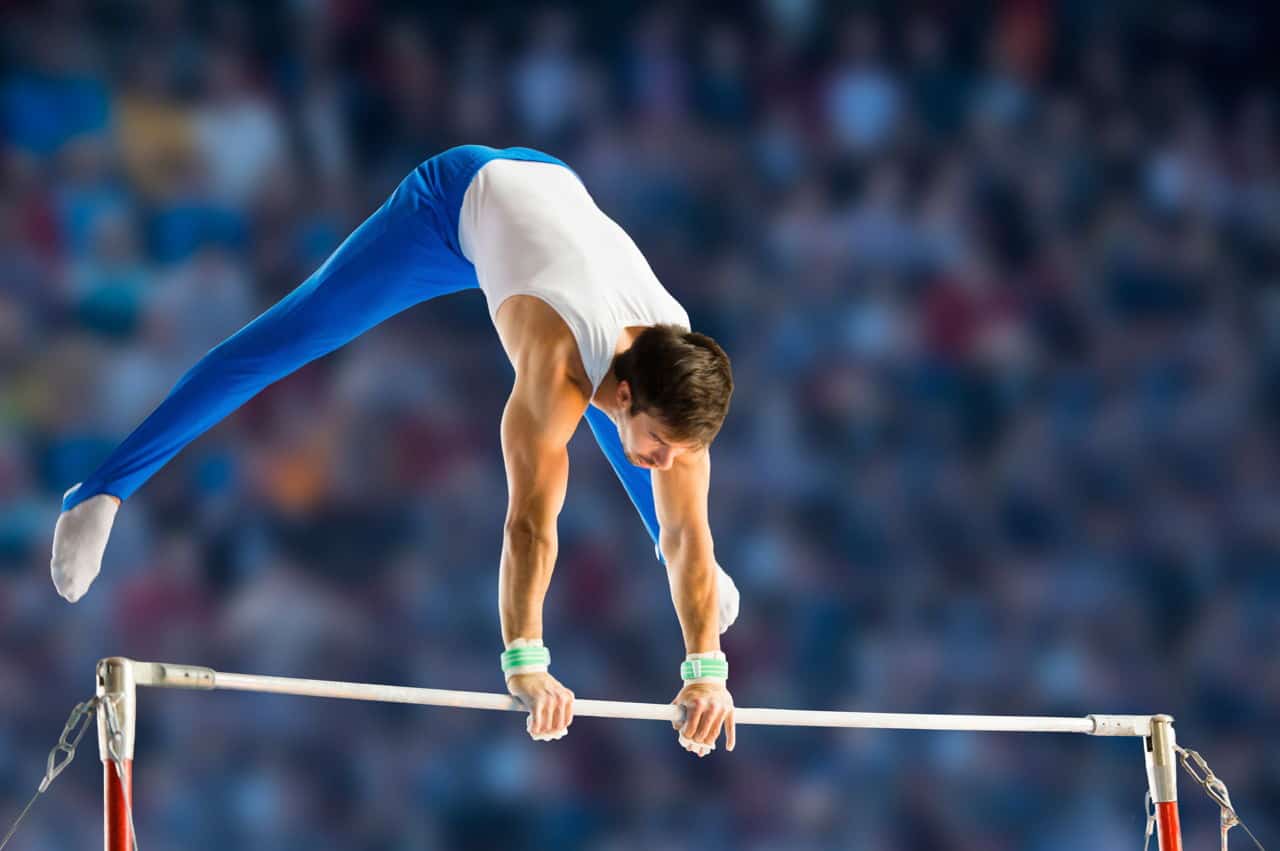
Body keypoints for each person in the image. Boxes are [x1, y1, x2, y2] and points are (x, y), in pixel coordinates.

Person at [49, 145, 739, 756]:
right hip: (453, 204)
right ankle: (100, 489)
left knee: (682, 517)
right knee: (285, 338)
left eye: (682, 448)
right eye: (664, 441)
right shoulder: (556, 365)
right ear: (622, 392)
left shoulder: (676, 377)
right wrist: (525, 658)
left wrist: (708, 670)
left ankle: (702, 597)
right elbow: (531, 524)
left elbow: (687, 528)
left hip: (550, 201)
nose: (671, 458)